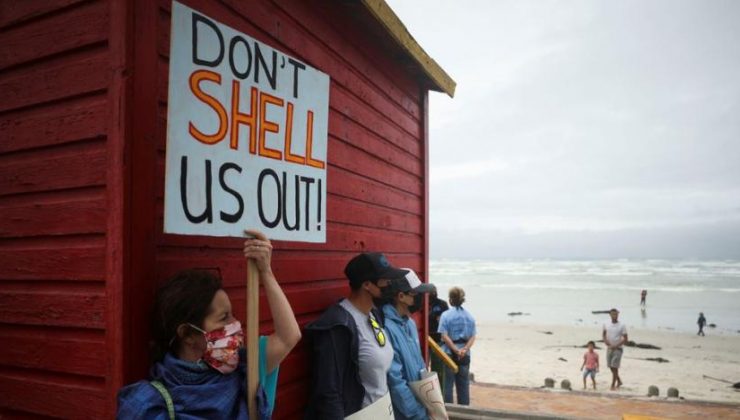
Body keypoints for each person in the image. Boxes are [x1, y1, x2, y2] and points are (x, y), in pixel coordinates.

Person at [117, 230, 302, 419]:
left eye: (232, 315)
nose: (235, 324)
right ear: (188, 334)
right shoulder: (150, 405)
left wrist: (266, 271)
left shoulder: (246, 369)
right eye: (224, 318)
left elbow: (288, 336)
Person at [304, 252, 408, 419]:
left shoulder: (374, 314)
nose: (390, 285)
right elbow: (328, 392)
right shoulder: (338, 326)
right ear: (367, 285)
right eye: (385, 281)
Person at [383, 269, 435, 420]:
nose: (420, 298)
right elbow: (395, 381)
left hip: (422, 406)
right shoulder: (387, 328)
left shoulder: (410, 323)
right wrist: (417, 414)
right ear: (401, 296)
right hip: (406, 414)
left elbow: (419, 365)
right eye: (416, 294)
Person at [438, 287, 476, 405]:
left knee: (447, 386)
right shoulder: (469, 316)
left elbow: (444, 336)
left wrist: (455, 350)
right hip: (464, 354)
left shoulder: (445, 315)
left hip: (449, 353)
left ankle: (449, 412)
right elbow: (472, 336)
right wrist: (464, 349)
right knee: (464, 385)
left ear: (450, 300)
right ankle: (465, 412)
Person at [427, 285, 449, 393]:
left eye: (434, 292)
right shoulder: (423, 303)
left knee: (438, 368)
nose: (432, 294)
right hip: (425, 339)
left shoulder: (442, 304)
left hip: (438, 340)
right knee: (424, 366)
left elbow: (446, 321)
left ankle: (439, 391)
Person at [602, 308, 628, 391]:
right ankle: (619, 381)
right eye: (613, 314)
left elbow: (625, 339)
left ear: (618, 315)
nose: (614, 316)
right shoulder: (606, 323)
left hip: (618, 349)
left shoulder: (622, 325)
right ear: (610, 315)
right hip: (609, 348)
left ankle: (613, 385)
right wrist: (605, 341)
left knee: (615, 366)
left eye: (616, 314)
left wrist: (616, 346)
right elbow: (604, 334)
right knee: (610, 366)